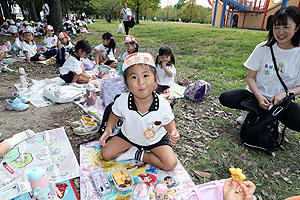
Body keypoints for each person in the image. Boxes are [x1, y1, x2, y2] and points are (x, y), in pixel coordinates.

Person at [219, 6, 300, 132]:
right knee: (226, 97)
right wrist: (258, 95)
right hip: (255, 95)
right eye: (276, 27)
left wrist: (285, 94)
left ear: (297, 28)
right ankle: (253, 111)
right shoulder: (263, 48)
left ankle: (273, 116)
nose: (280, 32)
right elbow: (251, 77)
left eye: (286, 27)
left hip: (280, 101)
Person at [99, 53, 180, 171]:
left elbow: (169, 121)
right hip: (129, 137)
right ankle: (134, 148)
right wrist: (109, 128)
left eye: (146, 76)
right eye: (133, 77)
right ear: (126, 84)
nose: (140, 82)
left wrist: (173, 132)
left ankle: (138, 154)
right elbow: (115, 113)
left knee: (170, 163)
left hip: (155, 140)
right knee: (106, 154)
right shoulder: (122, 100)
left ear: (156, 80)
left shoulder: (162, 104)